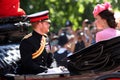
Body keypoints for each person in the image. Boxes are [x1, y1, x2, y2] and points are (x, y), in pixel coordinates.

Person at [17, 10, 53, 74]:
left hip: (45, 74)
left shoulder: (46, 38)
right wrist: (45, 70)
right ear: (39, 24)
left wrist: (53, 69)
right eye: (47, 23)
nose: (49, 25)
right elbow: (28, 64)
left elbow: (50, 58)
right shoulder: (27, 41)